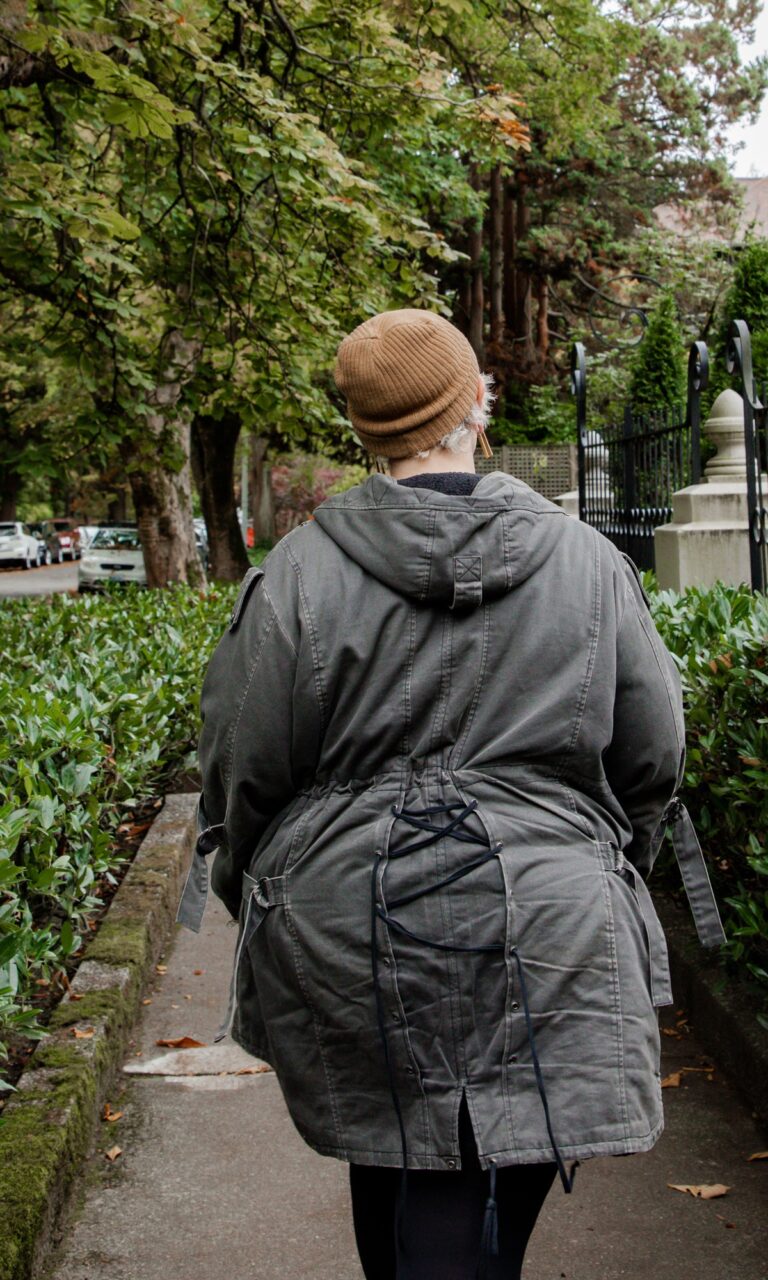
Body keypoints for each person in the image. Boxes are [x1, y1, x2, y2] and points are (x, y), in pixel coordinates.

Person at [178, 309, 725, 1280]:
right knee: (480, 1227)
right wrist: (590, 871)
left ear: (364, 429)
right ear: (479, 400)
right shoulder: (589, 562)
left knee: (397, 1187)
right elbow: (653, 758)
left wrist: (280, 896)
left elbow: (241, 774)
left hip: (351, 935)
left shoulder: (297, 572)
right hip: (554, 929)